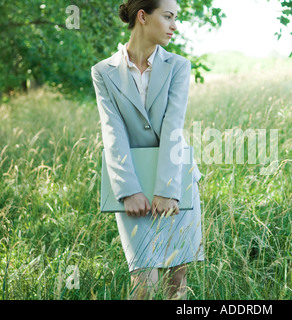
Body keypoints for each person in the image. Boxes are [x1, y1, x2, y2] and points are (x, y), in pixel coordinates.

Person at [91, 0, 204, 300]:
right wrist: (128, 190)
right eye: (168, 17)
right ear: (143, 16)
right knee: (144, 285)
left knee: (176, 286)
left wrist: (168, 189)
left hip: (176, 182)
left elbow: (173, 126)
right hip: (133, 187)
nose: (174, 26)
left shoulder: (179, 66)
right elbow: (112, 131)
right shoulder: (103, 71)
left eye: (175, 18)